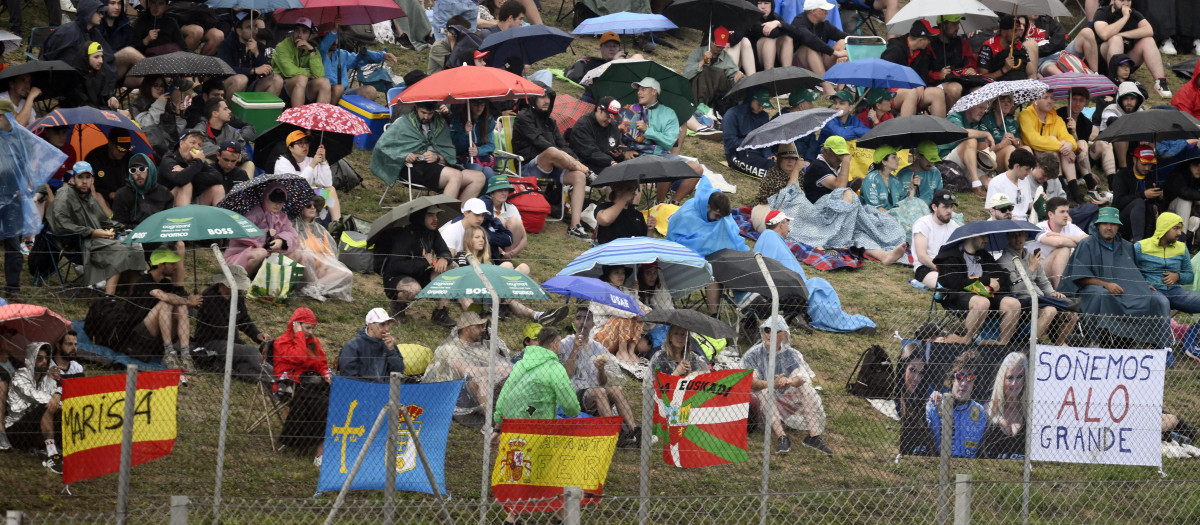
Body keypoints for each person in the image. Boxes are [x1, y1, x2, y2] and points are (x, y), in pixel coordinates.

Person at [1058, 207, 1171, 348]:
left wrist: (1140, 285)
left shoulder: (1127, 247)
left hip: (1122, 290)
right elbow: (1079, 277)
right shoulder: (1086, 244)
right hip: (1089, 291)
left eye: (1112, 224)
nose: (1108, 227)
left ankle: (1153, 348)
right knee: (1103, 295)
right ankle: (1096, 341)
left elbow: (1131, 272)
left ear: (1118, 226)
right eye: (1105, 223)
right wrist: (1105, 284)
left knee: (1154, 299)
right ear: (1098, 225)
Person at [754, 209, 881, 330]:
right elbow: (786, 270)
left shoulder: (766, 238)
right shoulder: (772, 238)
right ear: (780, 225)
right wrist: (801, 284)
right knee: (820, 286)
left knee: (818, 284)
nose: (789, 229)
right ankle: (836, 319)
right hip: (787, 290)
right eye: (787, 224)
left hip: (779, 288)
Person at [47, 161, 148, 293]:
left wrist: (124, 228)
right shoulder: (64, 194)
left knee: (135, 248)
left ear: (93, 180)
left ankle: (132, 296)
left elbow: (104, 221)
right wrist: (94, 232)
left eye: (88, 177)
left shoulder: (89, 196)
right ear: (73, 179)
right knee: (120, 250)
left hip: (99, 240)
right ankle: (108, 298)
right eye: (80, 177)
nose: (84, 181)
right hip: (78, 245)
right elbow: (62, 225)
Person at [512, 83, 592, 240]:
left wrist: (573, 160)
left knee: (578, 177)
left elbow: (563, 146)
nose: (547, 100)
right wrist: (577, 164)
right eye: (542, 96)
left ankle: (574, 226)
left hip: (553, 166)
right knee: (551, 151)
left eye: (549, 97)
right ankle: (587, 171)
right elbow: (540, 142)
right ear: (533, 98)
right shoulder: (523, 117)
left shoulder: (550, 122)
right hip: (527, 167)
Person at [743, 316, 832, 455]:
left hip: (782, 403)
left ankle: (813, 436)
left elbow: (800, 376)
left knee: (805, 387)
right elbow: (752, 383)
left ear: (783, 334)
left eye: (774, 331)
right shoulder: (753, 354)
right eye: (766, 330)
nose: (769, 334)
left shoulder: (789, 354)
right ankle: (782, 437)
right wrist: (773, 384)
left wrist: (788, 382)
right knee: (765, 390)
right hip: (759, 408)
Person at [371, 101, 487, 202]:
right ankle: (444, 219)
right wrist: (404, 155)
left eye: (430, 113)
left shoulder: (439, 123)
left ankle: (459, 217)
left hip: (437, 165)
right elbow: (382, 146)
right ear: (416, 107)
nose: (426, 117)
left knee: (478, 177)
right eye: (423, 113)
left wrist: (437, 157)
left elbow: (448, 150)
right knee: (455, 176)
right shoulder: (403, 122)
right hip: (413, 167)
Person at [559, 310, 640, 445]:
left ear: (593, 324)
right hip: (574, 395)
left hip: (595, 395)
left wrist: (601, 370)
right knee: (599, 392)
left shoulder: (598, 348)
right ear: (574, 323)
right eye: (579, 318)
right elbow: (564, 376)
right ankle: (613, 433)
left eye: (587, 319)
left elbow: (602, 382)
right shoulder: (564, 344)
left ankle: (635, 431)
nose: (583, 322)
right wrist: (574, 350)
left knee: (616, 389)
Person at [934, 229, 1022, 345]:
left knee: (1013, 304)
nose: (986, 240)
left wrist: (991, 285)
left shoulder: (983, 255)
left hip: (986, 293)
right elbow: (954, 283)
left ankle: (1002, 345)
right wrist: (986, 280)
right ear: (971, 236)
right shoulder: (951, 255)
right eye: (983, 237)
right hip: (958, 295)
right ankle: (966, 341)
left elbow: (1001, 274)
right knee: (982, 303)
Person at [624, 77, 704, 204]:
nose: (639, 92)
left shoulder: (668, 113)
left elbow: (669, 143)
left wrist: (648, 131)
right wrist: (626, 151)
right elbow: (621, 137)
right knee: (667, 166)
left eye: (644, 89)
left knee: (697, 168)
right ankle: (660, 203)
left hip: (661, 156)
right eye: (639, 89)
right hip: (638, 157)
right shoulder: (631, 110)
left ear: (654, 92)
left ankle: (672, 203)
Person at [375, 205, 455, 326]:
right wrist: (424, 262)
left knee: (451, 267)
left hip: (419, 274)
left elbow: (444, 251)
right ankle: (398, 305)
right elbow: (395, 265)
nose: (435, 219)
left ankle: (440, 312)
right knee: (413, 289)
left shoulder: (432, 232)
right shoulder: (405, 235)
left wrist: (444, 258)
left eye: (436, 215)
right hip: (397, 279)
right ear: (420, 216)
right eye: (430, 215)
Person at [998, 230, 1079, 346]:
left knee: (1072, 315)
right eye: (1013, 236)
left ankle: (1059, 345)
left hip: (1040, 299)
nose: (1017, 239)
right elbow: (1015, 288)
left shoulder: (1032, 257)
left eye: (1020, 235)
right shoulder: (1005, 259)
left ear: (1026, 236)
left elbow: (1043, 282)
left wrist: (1052, 294)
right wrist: (1031, 269)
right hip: (1022, 299)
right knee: (1050, 310)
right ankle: (1030, 346)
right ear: (1008, 237)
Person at [273, 307, 331, 466]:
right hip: (291, 385)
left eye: (313, 328)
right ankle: (320, 448)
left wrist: (326, 373)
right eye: (307, 328)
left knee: (338, 397)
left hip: (313, 383)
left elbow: (322, 363)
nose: (311, 332)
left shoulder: (314, 342)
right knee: (323, 404)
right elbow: (298, 358)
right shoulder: (282, 342)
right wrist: (299, 335)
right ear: (295, 325)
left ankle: (326, 443)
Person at [423, 311, 512, 415]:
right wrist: (497, 369)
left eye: (482, 326)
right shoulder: (450, 348)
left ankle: (507, 414)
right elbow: (466, 372)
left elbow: (501, 364)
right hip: (454, 392)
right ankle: (491, 421)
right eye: (478, 326)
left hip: (471, 388)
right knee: (483, 381)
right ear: (466, 328)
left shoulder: (477, 346)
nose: (483, 329)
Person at [193, 265, 269, 381]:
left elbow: (243, 319)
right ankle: (278, 377)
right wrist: (240, 345)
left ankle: (268, 381)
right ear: (226, 283)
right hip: (210, 343)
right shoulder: (210, 297)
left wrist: (257, 335)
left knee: (244, 363)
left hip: (230, 341)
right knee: (250, 351)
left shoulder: (237, 295)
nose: (240, 288)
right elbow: (221, 329)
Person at [495, 325, 579, 425]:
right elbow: (569, 402)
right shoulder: (554, 367)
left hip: (512, 426)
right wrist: (574, 412)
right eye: (560, 343)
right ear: (555, 345)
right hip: (539, 427)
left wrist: (498, 422)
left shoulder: (520, 364)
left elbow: (504, 393)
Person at [2, 343, 63, 473]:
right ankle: (52, 455)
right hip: (15, 430)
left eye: (46, 358)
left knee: (56, 410)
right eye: (39, 358)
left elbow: (56, 400)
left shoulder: (45, 377)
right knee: (45, 407)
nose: (44, 361)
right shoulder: (20, 376)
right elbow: (38, 397)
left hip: (34, 428)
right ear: (30, 359)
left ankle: (52, 447)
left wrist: (55, 390)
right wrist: (57, 397)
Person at [1094, 0, 1171, 97]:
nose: (1126, 4)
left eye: (1128, 0)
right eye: (1122, 0)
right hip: (1103, 60)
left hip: (1127, 60)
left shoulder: (1134, 13)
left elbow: (1149, 30)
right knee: (1116, 39)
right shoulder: (1103, 12)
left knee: (1148, 40)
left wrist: (1122, 34)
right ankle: (1115, 81)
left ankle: (1161, 82)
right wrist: (1125, 17)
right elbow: (1104, 34)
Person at [1020, 90, 1084, 206]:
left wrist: (1069, 145)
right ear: (1035, 100)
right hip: (1034, 154)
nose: (1050, 101)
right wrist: (1060, 145)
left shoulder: (1056, 118)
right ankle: (1065, 191)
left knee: (1064, 147)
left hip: (1052, 156)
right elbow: (1034, 140)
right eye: (1046, 98)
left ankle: (1075, 193)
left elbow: (1068, 138)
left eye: (1052, 98)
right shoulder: (1025, 114)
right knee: (1054, 149)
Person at [225, 184, 298, 278]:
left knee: (297, 254)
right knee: (261, 253)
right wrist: (265, 235)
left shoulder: (283, 217)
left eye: (280, 202)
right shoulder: (255, 213)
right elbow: (239, 232)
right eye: (273, 200)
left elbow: (293, 234)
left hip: (268, 254)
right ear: (266, 198)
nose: (277, 205)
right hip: (241, 254)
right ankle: (240, 281)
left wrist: (281, 240)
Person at [1134, 212, 1200, 314]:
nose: (1179, 233)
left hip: (1175, 292)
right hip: (1152, 291)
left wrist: (1178, 276)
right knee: (1162, 303)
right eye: (1175, 228)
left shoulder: (1182, 248)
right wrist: (1143, 286)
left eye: (1180, 228)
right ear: (1164, 228)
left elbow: (1189, 275)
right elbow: (1129, 273)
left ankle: (1193, 330)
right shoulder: (1140, 247)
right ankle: (1165, 331)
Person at [291, 194, 353, 302]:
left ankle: (314, 288)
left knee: (347, 274)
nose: (313, 208)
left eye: (315, 205)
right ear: (300, 208)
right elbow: (295, 254)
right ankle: (317, 288)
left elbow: (330, 254)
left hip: (321, 270)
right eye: (308, 205)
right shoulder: (293, 228)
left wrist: (324, 266)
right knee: (306, 256)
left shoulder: (321, 230)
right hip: (304, 270)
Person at [880, 20, 948, 117]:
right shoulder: (895, 49)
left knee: (938, 93)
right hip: (887, 94)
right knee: (911, 94)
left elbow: (924, 75)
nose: (929, 42)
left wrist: (919, 84)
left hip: (913, 91)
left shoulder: (921, 51)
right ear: (920, 40)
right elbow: (884, 75)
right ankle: (906, 131)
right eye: (928, 39)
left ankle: (941, 131)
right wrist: (913, 84)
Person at [926, 349, 986, 458]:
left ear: (975, 382)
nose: (964, 383)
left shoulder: (980, 412)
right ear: (953, 378)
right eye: (960, 377)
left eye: (970, 378)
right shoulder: (935, 404)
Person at [274, 130, 340, 222]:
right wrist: (312, 165)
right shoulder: (282, 162)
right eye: (300, 143)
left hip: (310, 194)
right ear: (291, 148)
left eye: (306, 143)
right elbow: (296, 186)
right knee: (310, 192)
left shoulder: (310, 160)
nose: (305, 146)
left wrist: (324, 162)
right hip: (290, 196)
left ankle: (336, 224)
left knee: (330, 189)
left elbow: (326, 183)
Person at [320, 25, 395, 103]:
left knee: (370, 91)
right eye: (332, 38)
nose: (335, 41)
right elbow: (324, 46)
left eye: (337, 37)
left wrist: (382, 55)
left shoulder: (341, 54)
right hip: (327, 94)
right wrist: (334, 28)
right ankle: (330, 112)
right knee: (338, 88)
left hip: (344, 92)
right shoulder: (319, 54)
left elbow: (360, 57)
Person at [593, 265, 650, 365]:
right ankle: (622, 352)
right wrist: (635, 313)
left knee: (640, 313)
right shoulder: (601, 289)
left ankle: (630, 352)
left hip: (618, 337)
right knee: (624, 315)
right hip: (601, 339)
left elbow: (636, 305)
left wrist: (646, 310)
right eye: (616, 272)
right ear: (608, 275)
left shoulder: (623, 290)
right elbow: (614, 309)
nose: (621, 276)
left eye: (622, 272)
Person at [218, 11, 284, 97]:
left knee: (277, 80)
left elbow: (267, 70)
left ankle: (260, 110)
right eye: (249, 27)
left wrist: (256, 53)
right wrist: (253, 70)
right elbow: (226, 70)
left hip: (250, 86)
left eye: (255, 26)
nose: (254, 30)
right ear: (239, 31)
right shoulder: (227, 44)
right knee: (241, 79)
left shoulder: (258, 45)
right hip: (228, 86)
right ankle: (230, 110)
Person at [1027, 197, 1089, 288]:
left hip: (1060, 269)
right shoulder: (1039, 227)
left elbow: (1089, 240)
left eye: (1067, 211)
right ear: (1051, 214)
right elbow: (1058, 243)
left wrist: (1062, 236)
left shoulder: (1069, 226)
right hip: (1038, 271)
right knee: (1063, 249)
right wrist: (1077, 242)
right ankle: (1060, 290)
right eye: (1062, 212)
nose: (1066, 215)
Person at [1059, 88, 1114, 190]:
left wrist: (1074, 132)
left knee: (1105, 144)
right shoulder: (1058, 115)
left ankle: (1113, 185)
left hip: (1078, 163)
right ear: (1069, 100)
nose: (1077, 103)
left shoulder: (1086, 123)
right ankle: (1091, 185)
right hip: (1062, 160)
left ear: (1086, 103)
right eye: (1074, 99)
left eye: (1081, 101)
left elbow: (1080, 152)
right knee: (1082, 143)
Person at [790, 0, 848, 96]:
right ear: (813, 11)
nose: (827, 12)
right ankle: (827, 87)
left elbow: (845, 36)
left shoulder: (824, 24)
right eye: (823, 9)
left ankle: (841, 88)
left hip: (819, 64)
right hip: (799, 67)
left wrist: (844, 52)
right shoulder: (799, 21)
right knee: (810, 47)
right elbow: (809, 39)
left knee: (843, 42)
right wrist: (836, 53)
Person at [273, 18, 331, 108]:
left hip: (304, 89)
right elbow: (289, 71)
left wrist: (311, 51)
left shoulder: (312, 48)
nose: (299, 35)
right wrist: (308, 74)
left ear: (310, 36)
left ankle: (319, 119)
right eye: (297, 31)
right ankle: (296, 120)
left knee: (325, 82)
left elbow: (319, 75)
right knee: (302, 78)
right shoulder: (283, 46)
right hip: (283, 88)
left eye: (304, 32)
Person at [979, 352, 1027, 459]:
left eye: (1019, 377)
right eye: (1010, 377)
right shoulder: (989, 408)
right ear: (1002, 379)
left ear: (1025, 379)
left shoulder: (1030, 412)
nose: (1014, 383)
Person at [683, 26, 745, 110]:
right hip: (696, 93)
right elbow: (686, 74)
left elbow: (733, 79)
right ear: (711, 41)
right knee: (704, 71)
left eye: (722, 46)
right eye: (717, 45)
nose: (720, 49)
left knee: (719, 73)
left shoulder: (727, 59)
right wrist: (702, 62)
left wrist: (739, 76)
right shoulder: (697, 53)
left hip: (716, 97)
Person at [158, 130, 225, 208]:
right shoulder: (169, 159)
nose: (196, 147)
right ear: (182, 144)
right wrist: (195, 164)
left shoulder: (197, 160)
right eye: (193, 143)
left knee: (218, 188)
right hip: (166, 204)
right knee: (186, 185)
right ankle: (184, 219)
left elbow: (218, 177)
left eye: (199, 145)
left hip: (191, 200)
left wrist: (186, 171)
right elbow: (179, 180)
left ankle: (216, 219)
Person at [339, 308, 406, 382]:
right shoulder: (353, 346)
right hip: (360, 389)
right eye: (382, 324)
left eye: (388, 324)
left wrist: (391, 351)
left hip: (385, 389)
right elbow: (348, 375)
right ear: (371, 325)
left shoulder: (389, 344)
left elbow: (399, 371)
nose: (387, 329)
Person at [1113, 144, 1164, 242]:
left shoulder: (1153, 176)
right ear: (1134, 160)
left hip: (1147, 220)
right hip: (1123, 218)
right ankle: (1138, 242)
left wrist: (1161, 197)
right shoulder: (1122, 175)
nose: (1147, 168)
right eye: (1144, 164)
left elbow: (1158, 205)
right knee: (1139, 202)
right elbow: (1117, 203)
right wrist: (1143, 195)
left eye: (1150, 165)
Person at [912, 190, 961, 289]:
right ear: (934, 207)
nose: (949, 211)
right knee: (946, 284)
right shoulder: (923, 224)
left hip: (949, 267)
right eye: (945, 207)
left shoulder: (954, 226)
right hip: (925, 267)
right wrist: (942, 269)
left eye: (951, 207)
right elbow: (922, 256)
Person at [111, 153, 173, 230]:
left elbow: (170, 222)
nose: (138, 173)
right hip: (133, 236)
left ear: (150, 170)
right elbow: (119, 225)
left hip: (159, 234)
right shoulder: (122, 195)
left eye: (142, 169)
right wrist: (143, 229)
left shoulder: (165, 193)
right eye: (133, 170)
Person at [723, 88, 774, 179]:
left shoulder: (764, 116)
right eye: (759, 104)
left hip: (758, 153)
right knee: (770, 168)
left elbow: (765, 140)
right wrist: (752, 142)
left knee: (779, 163)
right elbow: (730, 143)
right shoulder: (732, 114)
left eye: (764, 106)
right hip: (738, 154)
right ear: (751, 99)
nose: (762, 108)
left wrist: (769, 155)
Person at [131, 76, 187, 159]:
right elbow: (146, 125)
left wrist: (178, 114)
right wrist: (159, 104)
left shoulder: (169, 105)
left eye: (162, 86)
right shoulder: (139, 104)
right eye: (155, 85)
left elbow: (178, 131)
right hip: (151, 152)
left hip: (171, 152)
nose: (159, 89)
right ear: (148, 86)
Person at [571, 97, 629, 175]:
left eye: (612, 118)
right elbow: (589, 152)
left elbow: (616, 146)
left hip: (609, 164)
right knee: (615, 175)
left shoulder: (613, 125)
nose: (609, 120)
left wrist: (619, 155)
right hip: (586, 165)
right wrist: (610, 162)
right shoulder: (582, 126)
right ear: (599, 109)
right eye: (608, 116)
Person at [1026, 14, 1100, 75]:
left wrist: (1040, 50)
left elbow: (1060, 40)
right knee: (1050, 69)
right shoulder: (1020, 26)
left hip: (1061, 53)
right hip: (1043, 62)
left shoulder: (1046, 21)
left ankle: (1094, 74)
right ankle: (1075, 87)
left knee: (1087, 32)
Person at [1097, 81, 1145, 171]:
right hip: (1109, 154)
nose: (1129, 102)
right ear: (1120, 99)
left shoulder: (1140, 112)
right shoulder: (1110, 109)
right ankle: (1123, 171)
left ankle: (1147, 165)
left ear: (1137, 100)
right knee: (1122, 133)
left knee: (1150, 134)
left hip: (1131, 153)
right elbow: (1116, 124)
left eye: (1132, 99)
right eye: (1126, 99)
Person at [83, 128, 133, 215]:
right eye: (120, 149)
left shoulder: (129, 159)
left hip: (124, 198)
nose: (123, 152)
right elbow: (89, 185)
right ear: (110, 144)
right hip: (101, 198)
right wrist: (109, 194)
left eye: (126, 149)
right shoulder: (94, 158)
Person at [895, 351, 932, 456]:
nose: (916, 378)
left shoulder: (920, 400)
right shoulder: (895, 399)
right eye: (912, 370)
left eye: (920, 373)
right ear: (903, 369)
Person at [450, 99, 498, 180]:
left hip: (482, 158)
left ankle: (486, 193)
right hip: (463, 159)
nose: (479, 108)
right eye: (475, 105)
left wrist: (478, 151)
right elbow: (456, 148)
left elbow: (491, 145)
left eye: (482, 105)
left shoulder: (488, 120)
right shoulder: (458, 120)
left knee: (489, 172)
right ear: (469, 104)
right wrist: (465, 133)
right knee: (476, 170)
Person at [986, 148, 1037, 222]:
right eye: (1027, 169)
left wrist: (1042, 203)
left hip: (1024, 222)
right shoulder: (996, 183)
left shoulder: (1025, 180)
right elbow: (993, 210)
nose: (1029, 173)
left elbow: (1029, 204)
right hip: (1004, 222)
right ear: (1017, 166)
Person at [979, 14, 1033, 81]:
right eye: (1015, 31)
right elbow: (982, 77)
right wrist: (1004, 69)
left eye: (1020, 30)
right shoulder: (988, 47)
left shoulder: (1019, 46)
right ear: (1003, 32)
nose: (1019, 35)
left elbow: (1030, 73)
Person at [802, 136, 851, 204]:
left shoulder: (837, 166)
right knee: (847, 192)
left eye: (842, 154)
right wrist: (846, 162)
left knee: (849, 193)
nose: (839, 158)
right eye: (836, 154)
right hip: (817, 209)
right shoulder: (817, 166)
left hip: (833, 207)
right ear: (825, 151)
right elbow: (840, 187)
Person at [73, 41, 120, 111]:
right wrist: (112, 112)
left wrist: (112, 97)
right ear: (86, 58)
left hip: (101, 112)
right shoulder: (75, 78)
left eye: (101, 56)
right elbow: (85, 107)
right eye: (96, 57)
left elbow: (107, 93)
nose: (101, 61)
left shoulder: (100, 74)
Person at [749, 0, 796, 71]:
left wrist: (778, 23)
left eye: (766, 3)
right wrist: (781, 27)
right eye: (759, 3)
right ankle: (769, 74)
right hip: (756, 60)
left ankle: (787, 72)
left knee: (787, 39)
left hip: (776, 56)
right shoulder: (751, 18)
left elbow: (795, 32)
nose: (763, 7)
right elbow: (772, 34)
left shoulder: (775, 17)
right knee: (769, 40)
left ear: (771, 5)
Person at [1165, 157, 1200, 243]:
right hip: (1169, 211)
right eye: (1196, 165)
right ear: (1189, 164)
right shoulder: (1178, 174)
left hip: (1189, 213)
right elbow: (1184, 192)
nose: (1199, 169)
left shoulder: (1197, 178)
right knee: (1185, 201)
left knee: (1195, 220)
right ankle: (1181, 242)